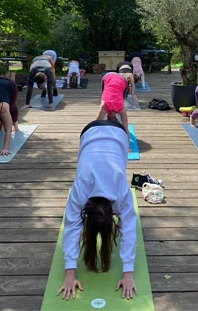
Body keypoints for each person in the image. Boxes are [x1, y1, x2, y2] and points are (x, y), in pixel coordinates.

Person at [56, 120, 138, 302]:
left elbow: (129, 230)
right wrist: (69, 273)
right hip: (91, 136)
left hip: (115, 136)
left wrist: (128, 273)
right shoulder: (81, 191)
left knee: (118, 165)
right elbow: (71, 228)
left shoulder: (120, 194)